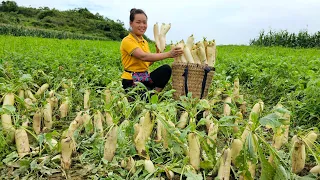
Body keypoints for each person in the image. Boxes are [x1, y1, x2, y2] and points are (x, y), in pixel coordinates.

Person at [120, 8, 183, 93]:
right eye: (138, 22)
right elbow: (143, 56)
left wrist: (158, 53)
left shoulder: (144, 42)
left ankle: (154, 95)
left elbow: (147, 62)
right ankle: (145, 96)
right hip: (131, 79)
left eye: (144, 22)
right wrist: (168, 54)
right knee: (141, 97)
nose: (142, 25)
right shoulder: (127, 40)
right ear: (131, 23)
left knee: (166, 69)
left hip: (143, 77)